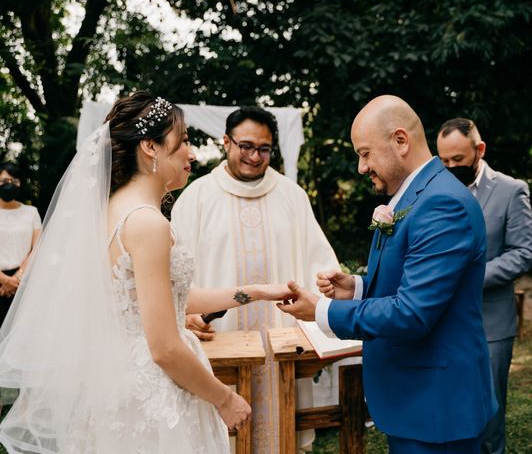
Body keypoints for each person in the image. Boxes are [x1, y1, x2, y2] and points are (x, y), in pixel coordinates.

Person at [0, 92, 293, 453]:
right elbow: (165, 348)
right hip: (155, 392)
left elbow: (168, 299)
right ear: (150, 146)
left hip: (115, 382)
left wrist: (256, 291)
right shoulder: (147, 223)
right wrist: (223, 398)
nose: (192, 152)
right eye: (183, 141)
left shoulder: (111, 211)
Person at [278, 95, 497, 453]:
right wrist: (359, 288)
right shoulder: (416, 196)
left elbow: (412, 313)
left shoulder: (442, 204)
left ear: (400, 141)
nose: (361, 167)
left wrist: (321, 311)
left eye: (365, 153)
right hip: (417, 399)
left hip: (437, 406)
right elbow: (411, 279)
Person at [171, 105, 341, 453]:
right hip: (222, 344)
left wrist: (326, 288)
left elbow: (319, 264)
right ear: (226, 142)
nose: (254, 156)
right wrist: (184, 315)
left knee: (284, 437)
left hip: (283, 348)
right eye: (246, 145)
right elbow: (174, 277)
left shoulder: (291, 196)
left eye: (263, 148)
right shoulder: (196, 198)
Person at [436, 118, 532, 454]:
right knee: (449, 410)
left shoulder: (511, 190)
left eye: (458, 160)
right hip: (442, 322)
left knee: (489, 415)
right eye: (444, 161)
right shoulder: (435, 191)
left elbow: (524, 254)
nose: (450, 168)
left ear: (479, 150)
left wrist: (473, 278)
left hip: (490, 322)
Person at [0, 162, 41, 328]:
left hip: (22, 283)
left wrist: (17, 277)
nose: (10, 185)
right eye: (5, 180)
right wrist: (3, 279)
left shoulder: (31, 212)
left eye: (15, 181)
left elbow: (37, 247)